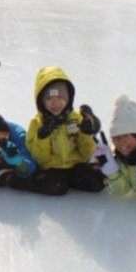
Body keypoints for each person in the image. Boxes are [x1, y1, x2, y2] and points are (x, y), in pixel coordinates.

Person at [24, 66, 105, 195]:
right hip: (52, 168)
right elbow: (41, 159)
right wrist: (43, 137)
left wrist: (86, 133)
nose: (55, 104)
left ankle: (72, 180)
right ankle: (16, 180)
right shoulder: (36, 123)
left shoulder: (75, 119)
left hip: (76, 165)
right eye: (49, 98)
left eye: (61, 97)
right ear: (41, 101)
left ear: (69, 98)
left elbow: (85, 154)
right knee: (55, 186)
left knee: (97, 180)